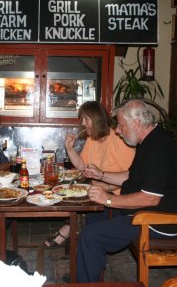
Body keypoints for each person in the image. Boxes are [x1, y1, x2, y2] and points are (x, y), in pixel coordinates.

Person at [77, 99, 177, 282]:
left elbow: (150, 199)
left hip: (158, 221)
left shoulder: (159, 147)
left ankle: (87, 281)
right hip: (145, 213)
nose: (118, 131)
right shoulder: (149, 141)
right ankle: (88, 274)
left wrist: (109, 200)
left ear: (136, 123)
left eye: (120, 125)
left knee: (90, 236)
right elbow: (131, 176)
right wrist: (101, 174)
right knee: (94, 221)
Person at [43, 101, 135, 247]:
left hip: (118, 196)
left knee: (87, 206)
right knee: (68, 193)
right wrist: (70, 149)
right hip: (97, 190)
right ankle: (74, 232)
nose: (83, 124)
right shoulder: (93, 138)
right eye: (82, 119)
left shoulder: (118, 139)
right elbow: (83, 167)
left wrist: (106, 187)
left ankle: (80, 237)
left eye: (86, 119)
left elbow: (131, 177)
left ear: (96, 119)